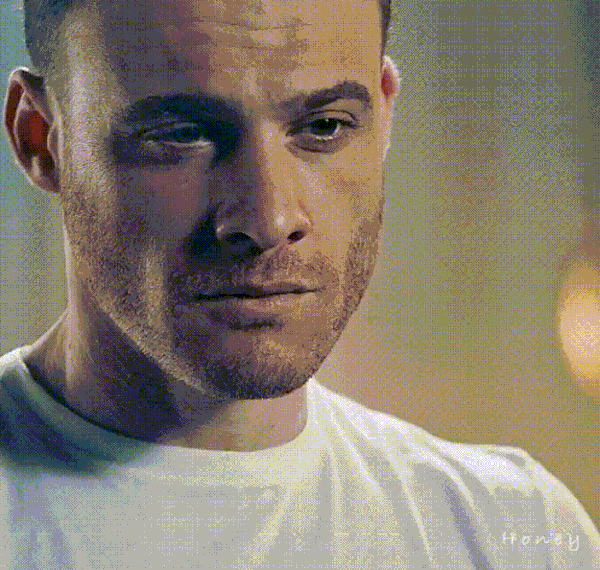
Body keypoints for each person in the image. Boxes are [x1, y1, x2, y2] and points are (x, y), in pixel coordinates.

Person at [1, 0, 598, 567]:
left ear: (385, 117)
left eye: (325, 126)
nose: (268, 219)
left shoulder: (513, 537)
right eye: (183, 133)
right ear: (39, 138)